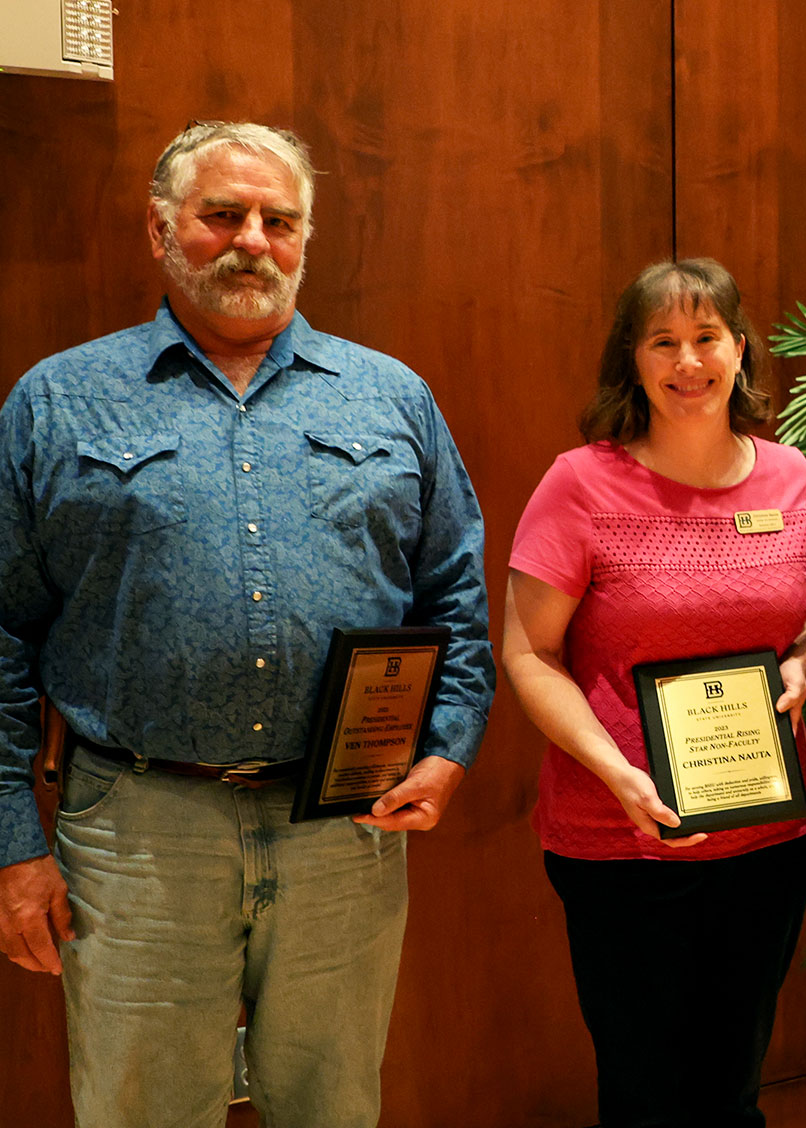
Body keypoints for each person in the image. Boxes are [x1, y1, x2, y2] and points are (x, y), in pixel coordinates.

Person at [0, 121, 494, 1126]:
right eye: (221, 215)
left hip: (343, 831)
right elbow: (3, 636)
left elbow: (457, 600)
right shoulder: (60, 401)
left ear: (307, 238)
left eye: (280, 220)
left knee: (332, 1107)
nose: (252, 241)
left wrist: (445, 750)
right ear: (159, 228)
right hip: (138, 829)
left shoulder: (390, 397)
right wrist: (14, 846)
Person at [503, 258, 806, 1128]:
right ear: (634, 359)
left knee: (733, 1089)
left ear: (740, 349)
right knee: (646, 1094)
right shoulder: (580, 484)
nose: (689, 362)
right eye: (665, 342)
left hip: (765, 836)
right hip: (623, 844)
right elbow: (530, 653)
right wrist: (618, 773)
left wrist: (805, 661)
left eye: (707, 338)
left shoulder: (794, 480)